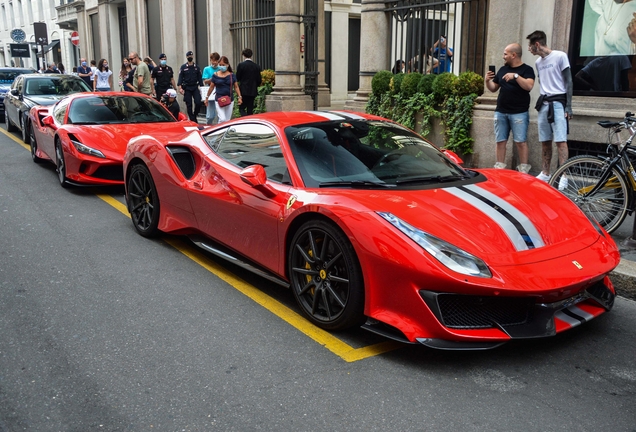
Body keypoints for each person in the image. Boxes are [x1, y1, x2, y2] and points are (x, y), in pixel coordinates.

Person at [527, 30, 573, 190]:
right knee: (545, 141)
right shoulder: (538, 63)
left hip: (558, 103)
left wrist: (569, 106)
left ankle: (564, 175)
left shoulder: (560, 56)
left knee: (561, 141)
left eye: (530, 46)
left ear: (537, 44)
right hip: (544, 103)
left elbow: (568, 81)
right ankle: (546, 173)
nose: (529, 49)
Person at [485, 43, 535, 173]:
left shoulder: (527, 70)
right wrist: (486, 81)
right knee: (500, 141)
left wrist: (516, 76)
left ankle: (524, 169)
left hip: (519, 112)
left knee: (520, 142)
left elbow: (529, 86)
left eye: (505, 54)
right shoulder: (502, 69)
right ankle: (499, 168)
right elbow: (493, 88)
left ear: (514, 55)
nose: (503, 57)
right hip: (501, 111)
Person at [204, 56, 242, 124]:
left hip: (229, 99)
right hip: (218, 99)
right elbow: (211, 87)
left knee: (227, 120)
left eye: (223, 65)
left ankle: (222, 132)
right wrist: (207, 97)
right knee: (222, 118)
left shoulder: (232, 75)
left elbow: (236, 87)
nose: (221, 66)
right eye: (220, 65)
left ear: (227, 65)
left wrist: (239, 97)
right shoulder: (215, 75)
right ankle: (219, 132)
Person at [177, 50, 204, 122]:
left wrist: (202, 88)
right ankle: (193, 120)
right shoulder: (183, 67)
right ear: (186, 57)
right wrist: (180, 88)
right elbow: (180, 78)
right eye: (188, 56)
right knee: (189, 105)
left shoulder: (197, 67)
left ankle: (194, 115)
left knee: (198, 102)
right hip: (187, 88)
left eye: (191, 56)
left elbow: (200, 78)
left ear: (193, 56)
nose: (190, 57)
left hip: (195, 87)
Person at [236, 48, 262, 117]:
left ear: (243, 55)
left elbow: (237, 78)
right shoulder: (256, 66)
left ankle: (244, 119)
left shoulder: (241, 65)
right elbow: (259, 79)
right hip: (253, 90)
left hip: (243, 90)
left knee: (241, 108)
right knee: (250, 109)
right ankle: (249, 119)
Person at [201, 52, 221, 124]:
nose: (214, 62)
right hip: (210, 91)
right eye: (213, 60)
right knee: (210, 115)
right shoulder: (206, 69)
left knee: (220, 113)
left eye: (216, 60)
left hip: (219, 91)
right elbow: (205, 81)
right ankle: (208, 126)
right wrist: (213, 78)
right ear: (210, 60)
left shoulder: (220, 68)